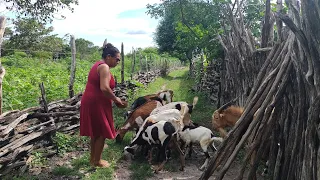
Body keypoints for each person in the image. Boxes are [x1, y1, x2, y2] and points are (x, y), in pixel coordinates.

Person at [80, 43, 124, 168]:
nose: (118, 62)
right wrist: (116, 99)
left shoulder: (97, 64)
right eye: (117, 59)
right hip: (97, 103)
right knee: (101, 132)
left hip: (92, 101)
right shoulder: (104, 67)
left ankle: (93, 159)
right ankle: (97, 161)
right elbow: (104, 88)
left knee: (95, 132)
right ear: (109, 57)